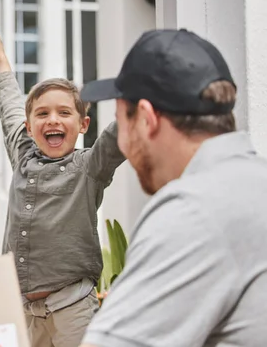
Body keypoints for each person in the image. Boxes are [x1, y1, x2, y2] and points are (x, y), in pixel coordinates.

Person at [79, 29, 267, 347]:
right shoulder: (254, 183)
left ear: (147, 119)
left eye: (119, 122)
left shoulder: (195, 210)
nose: (121, 142)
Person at [0, 27, 125, 347]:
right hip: (23, 310)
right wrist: (1, 60)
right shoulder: (22, 154)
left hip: (72, 308)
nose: (53, 120)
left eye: (64, 113)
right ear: (30, 127)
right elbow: (10, 108)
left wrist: (136, 94)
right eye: (42, 114)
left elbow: (118, 138)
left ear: (83, 125)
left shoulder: (90, 166)